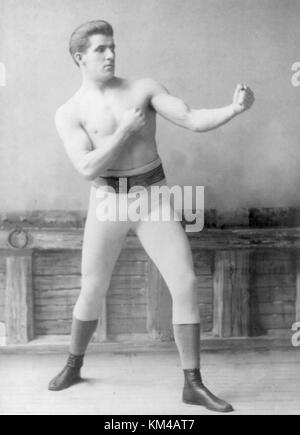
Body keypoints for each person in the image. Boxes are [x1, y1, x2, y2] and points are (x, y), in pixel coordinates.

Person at [49, 20, 254, 413]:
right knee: (92, 287)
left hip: (152, 196)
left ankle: (192, 384)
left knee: (186, 280)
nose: (111, 54)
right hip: (108, 201)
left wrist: (234, 109)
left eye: (113, 46)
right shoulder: (69, 112)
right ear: (79, 57)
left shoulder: (142, 89)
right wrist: (124, 131)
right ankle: (73, 365)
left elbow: (191, 118)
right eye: (100, 49)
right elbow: (88, 166)